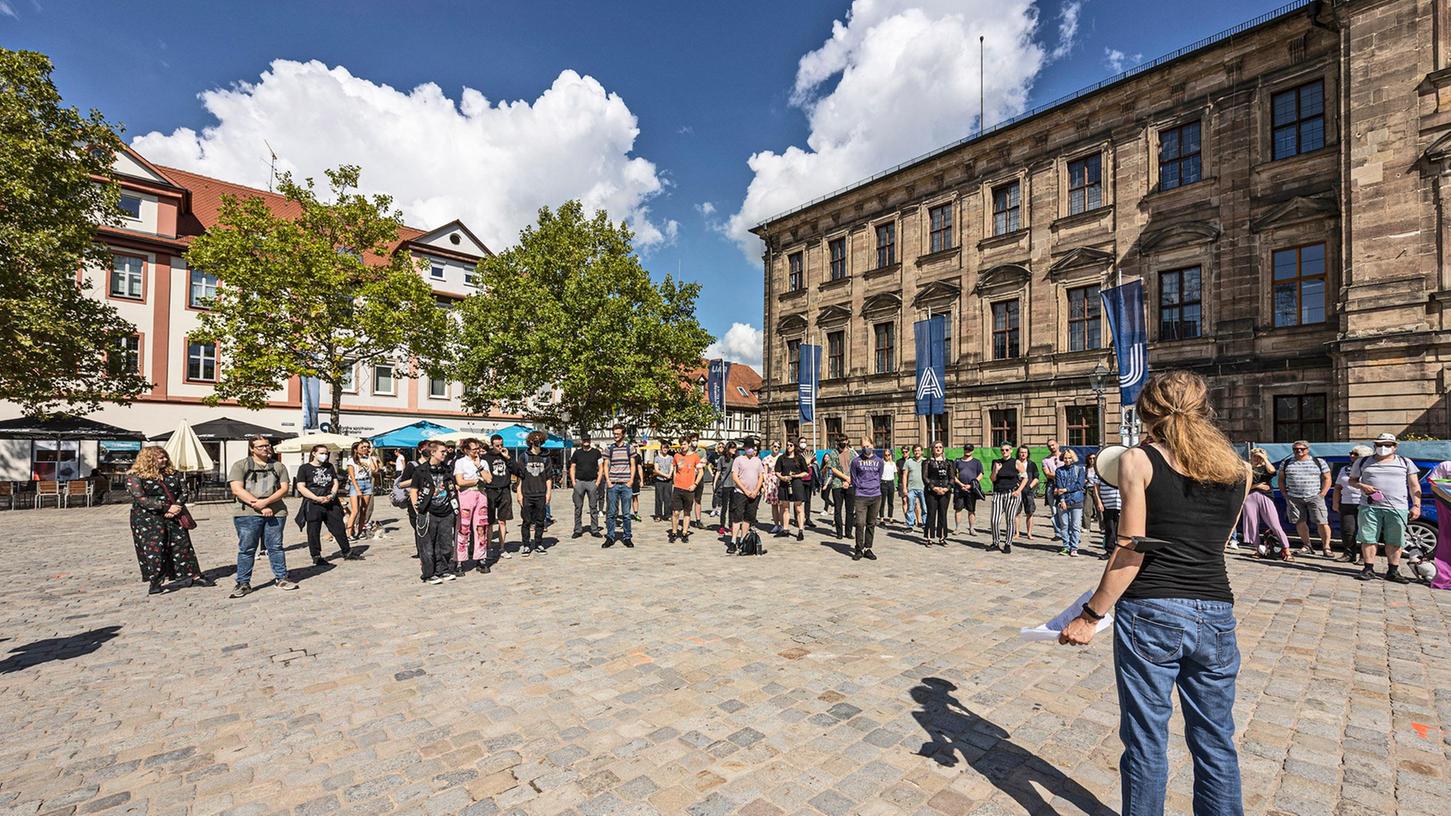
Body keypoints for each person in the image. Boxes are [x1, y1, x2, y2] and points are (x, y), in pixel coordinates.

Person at [1058, 371, 1249, 816]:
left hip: (1153, 611)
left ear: (1147, 412)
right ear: (1205, 410)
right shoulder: (1239, 468)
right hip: (1216, 610)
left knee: (1146, 741)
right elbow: (1219, 545)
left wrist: (1090, 615)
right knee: (1216, 741)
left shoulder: (1138, 460)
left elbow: (1130, 550)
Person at [126, 446, 208, 595]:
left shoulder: (173, 474)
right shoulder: (135, 476)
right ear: (149, 459)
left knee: (182, 545)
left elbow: (184, 491)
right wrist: (165, 508)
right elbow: (140, 498)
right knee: (154, 548)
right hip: (148, 518)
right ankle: (156, 581)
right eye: (160, 458)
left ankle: (194, 575)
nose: (164, 460)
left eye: (165, 457)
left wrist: (177, 506)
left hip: (174, 515)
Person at [1347, 433, 1422, 583]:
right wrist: (1362, 485)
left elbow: (1414, 485)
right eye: (1380, 445)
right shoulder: (1362, 462)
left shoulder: (1405, 462)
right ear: (1374, 446)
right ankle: (1368, 568)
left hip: (1397, 507)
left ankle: (1393, 571)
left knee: (1395, 540)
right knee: (1368, 538)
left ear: (1395, 447)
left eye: (1387, 445)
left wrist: (1416, 505)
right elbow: (1352, 481)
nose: (1383, 448)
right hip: (1369, 506)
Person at [228, 436, 296, 598]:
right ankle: (243, 583)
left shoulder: (278, 466)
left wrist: (266, 503)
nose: (266, 448)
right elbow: (237, 489)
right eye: (261, 446)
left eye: (268, 445)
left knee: (276, 546)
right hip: (247, 513)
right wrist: (258, 504)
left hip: (276, 512)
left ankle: (281, 578)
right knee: (247, 548)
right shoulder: (240, 465)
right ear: (252, 449)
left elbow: (284, 488)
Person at [295, 444, 360, 566]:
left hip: (330, 501)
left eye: (326, 453)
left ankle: (347, 551)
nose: (324, 455)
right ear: (314, 453)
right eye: (322, 453)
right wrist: (316, 498)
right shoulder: (304, 468)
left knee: (339, 527)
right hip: (313, 502)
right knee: (313, 530)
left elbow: (335, 482)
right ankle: (316, 556)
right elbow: (301, 486)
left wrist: (332, 495)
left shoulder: (329, 466)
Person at [409, 441, 459, 584]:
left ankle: (442, 570)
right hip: (429, 511)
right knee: (428, 546)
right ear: (432, 453)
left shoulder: (447, 469)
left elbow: (452, 486)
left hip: (446, 511)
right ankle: (428, 574)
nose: (445, 453)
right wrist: (417, 509)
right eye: (442, 451)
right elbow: (414, 490)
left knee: (445, 545)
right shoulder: (421, 471)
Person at [1277, 441, 1333, 557]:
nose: (1299, 451)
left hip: (1314, 496)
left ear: (1308, 449)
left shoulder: (1318, 462)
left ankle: (1326, 547)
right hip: (1294, 497)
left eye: (1302, 448)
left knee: (1322, 522)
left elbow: (1327, 478)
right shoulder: (1286, 463)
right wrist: (1284, 493)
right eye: (1296, 449)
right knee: (1299, 521)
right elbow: (1281, 479)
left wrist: (1322, 493)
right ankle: (1307, 545)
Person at [1241, 448, 1292, 560]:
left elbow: (1272, 471)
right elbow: (1243, 486)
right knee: (1252, 523)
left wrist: (1264, 458)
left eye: (1259, 456)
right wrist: (1257, 486)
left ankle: (1286, 550)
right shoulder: (1247, 469)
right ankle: (1256, 549)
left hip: (1265, 496)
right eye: (1255, 456)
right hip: (1250, 497)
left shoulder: (1266, 467)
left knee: (1274, 524)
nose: (1257, 458)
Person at [451, 438, 490, 574]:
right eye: (474, 449)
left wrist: (479, 467)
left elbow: (489, 479)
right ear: (466, 450)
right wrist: (476, 480)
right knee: (463, 527)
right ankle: (459, 560)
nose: (477, 451)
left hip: (481, 495)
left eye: (478, 448)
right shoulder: (460, 462)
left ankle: (481, 558)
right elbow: (460, 481)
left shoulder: (483, 462)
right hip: (466, 495)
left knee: (481, 527)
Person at [512, 431, 554, 556]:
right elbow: (519, 477)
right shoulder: (523, 457)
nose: (537, 441)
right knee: (526, 521)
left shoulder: (546, 457)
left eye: (539, 439)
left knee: (540, 521)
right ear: (530, 441)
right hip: (527, 493)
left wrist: (549, 493)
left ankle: (538, 543)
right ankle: (526, 545)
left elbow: (549, 477)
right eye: (534, 439)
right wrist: (519, 494)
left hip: (541, 493)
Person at [845, 438, 884, 561]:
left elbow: (879, 475)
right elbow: (854, 476)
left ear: (872, 445)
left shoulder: (879, 461)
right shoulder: (856, 461)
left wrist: (874, 486)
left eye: (867, 446)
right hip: (861, 495)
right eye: (863, 447)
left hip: (875, 495)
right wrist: (860, 488)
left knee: (871, 523)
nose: (865, 448)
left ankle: (868, 548)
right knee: (860, 523)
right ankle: (859, 548)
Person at [1333, 446, 1371, 563]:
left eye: (1355, 454)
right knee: (1347, 530)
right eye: (1351, 453)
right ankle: (1349, 554)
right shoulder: (1345, 469)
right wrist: (1336, 502)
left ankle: (1365, 556)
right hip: (1347, 502)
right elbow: (1338, 487)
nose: (1352, 456)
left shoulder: (1370, 469)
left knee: (1365, 531)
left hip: (1365, 502)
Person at [603, 424, 638, 549]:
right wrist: (608, 481)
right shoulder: (609, 449)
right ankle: (610, 537)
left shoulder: (630, 448)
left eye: (617, 434)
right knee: (611, 513)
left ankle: (627, 537)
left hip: (625, 484)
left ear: (623, 434)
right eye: (614, 433)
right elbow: (606, 465)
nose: (615, 436)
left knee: (626, 514)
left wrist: (631, 481)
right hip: (613, 484)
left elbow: (633, 465)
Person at [729, 439, 766, 553]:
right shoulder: (738, 459)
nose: (751, 450)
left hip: (754, 493)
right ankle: (733, 541)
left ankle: (743, 540)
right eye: (749, 447)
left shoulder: (757, 461)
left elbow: (761, 476)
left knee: (748, 518)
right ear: (744, 448)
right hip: (740, 492)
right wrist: (745, 490)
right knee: (737, 516)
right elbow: (735, 476)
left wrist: (756, 490)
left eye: (752, 448)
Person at [988, 442, 1026, 553]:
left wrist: (1018, 491)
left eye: (1007, 450)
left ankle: (1008, 543)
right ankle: (995, 542)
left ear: (1011, 450)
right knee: (994, 520)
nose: (1004, 452)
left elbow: (1025, 478)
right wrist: (996, 470)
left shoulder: (1016, 462)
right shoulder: (996, 462)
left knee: (1009, 519)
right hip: (998, 493)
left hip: (1011, 494)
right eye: (1002, 450)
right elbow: (993, 479)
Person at [480, 435, 514, 559]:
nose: (500, 447)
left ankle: (502, 547)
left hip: (504, 490)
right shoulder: (485, 458)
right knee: (489, 522)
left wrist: (508, 458)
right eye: (497, 445)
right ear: (491, 445)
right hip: (490, 490)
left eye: (501, 445)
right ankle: (488, 547)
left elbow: (517, 470)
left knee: (502, 520)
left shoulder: (505, 456)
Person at [1052, 448, 1087, 557]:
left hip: (1076, 500)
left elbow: (1079, 485)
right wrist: (1061, 499)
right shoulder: (1059, 470)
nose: (1067, 460)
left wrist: (1066, 489)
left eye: (1069, 458)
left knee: (1076, 525)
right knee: (1064, 525)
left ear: (1073, 458)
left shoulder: (1080, 469)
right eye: (1065, 458)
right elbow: (1058, 486)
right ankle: (1066, 546)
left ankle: (1074, 547)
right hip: (1063, 501)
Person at [570, 433, 604, 539]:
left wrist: (597, 482)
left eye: (588, 440)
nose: (586, 441)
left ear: (590, 440)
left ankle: (594, 529)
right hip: (579, 482)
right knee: (578, 507)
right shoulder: (576, 453)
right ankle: (578, 530)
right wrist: (574, 482)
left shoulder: (596, 452)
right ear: (581, 441)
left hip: (592, 482)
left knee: (593, 507)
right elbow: (572, 467)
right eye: (584, 440)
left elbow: (601, 467)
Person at [669, 436, 703, 542]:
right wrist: (674, 480)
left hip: (689, 489)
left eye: (684, 444)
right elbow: (674, 468)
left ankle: (684, 532)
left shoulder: (695, 456)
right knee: (675, 512)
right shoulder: (676, 456)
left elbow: (701, 471)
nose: (682, 446)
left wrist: (695, 484)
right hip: (678, 488)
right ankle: (674, 532)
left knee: (687, 512)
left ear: (688, 444)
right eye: (681, 444)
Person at [1088, 452, 1121, 558]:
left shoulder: (1124, 469)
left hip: (1121, 503)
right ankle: (1110, 550)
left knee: (1121, 529)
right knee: (1109, 528)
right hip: (1107, 503)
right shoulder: (1101, 471)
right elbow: (1096, 488)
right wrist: (1099, 502)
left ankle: (1120, 551)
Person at [1426, 458, 1451, 590]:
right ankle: (1446, 578)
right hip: (1447, 508)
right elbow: (1434, 485)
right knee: (1447, 543)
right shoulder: (1446, 465)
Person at [775, 440, 808, 541]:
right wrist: (782, 477)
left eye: (791, 445)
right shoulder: (782, 458)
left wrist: (796, 475)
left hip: (796, 484)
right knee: (785, 508)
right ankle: (785, 530)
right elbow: (777, 471)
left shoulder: (799, 458)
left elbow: (806, 472)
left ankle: (800, 530)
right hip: (784, 484)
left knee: (798, 508)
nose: (788, 446)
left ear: (795, 446)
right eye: (787, 445)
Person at [923, 441, 953, 546]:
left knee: (943, 514)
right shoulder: (927, 462)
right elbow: (925, 477)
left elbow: (952, 477)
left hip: (945, 492)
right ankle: (929, 537)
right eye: (936, 447)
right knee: (931, 513)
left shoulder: (948, 462)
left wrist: (947, 488)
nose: (938, 449)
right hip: (931, 491)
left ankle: (942, 537)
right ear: (932, 449)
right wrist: (934, 487)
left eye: (940, 447)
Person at [345, 440, 375, 541]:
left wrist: (370, 456)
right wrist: (357, 489)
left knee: (363, 510)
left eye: (367, 447)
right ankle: (349, 533)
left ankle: (360, 531)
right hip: (356, 484)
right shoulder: (351, 460)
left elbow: (374, 469)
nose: (365, 449)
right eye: (362, 447)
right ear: (356, 449)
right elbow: (352, 476)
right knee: (355, 510)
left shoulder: (367, 459)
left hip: (367, 483)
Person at [951, 444, 983, 536]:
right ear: (963, 450)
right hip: (959, 489)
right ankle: (957, 528)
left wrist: (971, 485)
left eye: (970, 449)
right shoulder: (957, 461)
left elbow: (980, 474)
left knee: (971, 510)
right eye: (966, 449)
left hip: (971, 490)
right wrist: (960, 484)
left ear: (972, 451)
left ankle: (972, 528)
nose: (968, 451)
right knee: (958, 509)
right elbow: (952, 474)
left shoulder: (977, 462)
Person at [828, 440, 856, 539]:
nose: (842, 444)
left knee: (850, 510)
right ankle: (839, 532)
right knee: (838, 509)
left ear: (847, 442)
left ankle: (848, 532)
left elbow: (855, 468)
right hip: (837, 484)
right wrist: (845, 478)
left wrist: (849, 481)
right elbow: (833, 468)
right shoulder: (833, 453)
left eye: (844, 441)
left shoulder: (852, 453)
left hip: (850, 484)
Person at [1015, 445, 1041, 540]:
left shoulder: (1032, 464)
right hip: (1016, 491)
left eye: (1025, 452)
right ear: (1018, 453)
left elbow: (1036, 477)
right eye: (1021, 452)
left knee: (1030, 512)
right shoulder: (1015, 463)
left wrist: (1030, 486)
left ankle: (1029, 533)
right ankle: (1016, 533)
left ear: (1027, 454)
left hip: (1028, 491)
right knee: (1016, 512)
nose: (1023, 454)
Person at [1041, 439, 1064, 540]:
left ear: (1057, 445)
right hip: (1051, 486)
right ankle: (1058, 533)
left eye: (1053, 445)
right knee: (1054, 510)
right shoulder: (1045, 460)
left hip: (1064, 486)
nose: (1052, 447)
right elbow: (1047, 474)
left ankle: (1068, 532)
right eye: (1049, 446)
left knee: (1065, 509)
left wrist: (1055, 474)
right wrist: (1061, 474)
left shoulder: (1065, 457)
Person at [715, 440, 738, 535]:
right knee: (724, 507)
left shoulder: (736, 459)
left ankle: (731, 525)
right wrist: (715, 484)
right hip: (725, 485)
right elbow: (718, 472)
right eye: (732, 447)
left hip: (734, 485)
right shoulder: (722, 459)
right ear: (728, 448)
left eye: (735, 448)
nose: (734, 449)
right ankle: (721, 526)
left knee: (733, 507)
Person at [901, 445, 925, 531]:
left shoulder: (926, 461)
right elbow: (904, 475)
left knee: (924, 507)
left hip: (923, 488)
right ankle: (910, 525)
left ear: (922, 451)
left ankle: (925, 524)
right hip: (911, 488)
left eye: (918, 450)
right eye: (915, 450)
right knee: (910, 508)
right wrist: (904, 488)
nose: (917, 452)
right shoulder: (908, 462)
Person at [652, 441, 675, 521]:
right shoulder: (657, 458)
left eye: (666, 448)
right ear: (661, 449)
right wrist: (665, 475)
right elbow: (656, 470)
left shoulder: (671, 458)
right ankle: (658, 515)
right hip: (659, 480)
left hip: (668, 481)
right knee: (659, 498)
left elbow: (672, 467)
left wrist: (669, 474)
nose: (665, 449)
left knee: (668, 498)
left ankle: (668, 514)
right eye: (663, 448)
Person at [878, 449, 898, 525]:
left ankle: (890, 517)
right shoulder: (881, 463)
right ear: (884, 455)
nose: (887, 456)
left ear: (890, 455)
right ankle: (881, 518)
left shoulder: (893, 464)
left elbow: (895, 474)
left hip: (891, 483)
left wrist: (895, 484)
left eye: (888, 455)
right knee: (882, 502)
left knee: (890, 502)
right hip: (883, 483)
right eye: (886, 455)